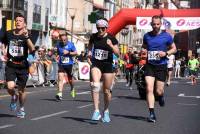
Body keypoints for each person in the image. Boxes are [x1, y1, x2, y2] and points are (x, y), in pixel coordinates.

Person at [142, 15, 176, 122]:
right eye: (154, 24)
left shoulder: (167, 36)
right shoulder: (147, 36)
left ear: (161, 24)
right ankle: (151, 113)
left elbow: (174, 49)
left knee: (159, 90)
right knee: (149, 88)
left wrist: (165, 53)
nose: (156, 26)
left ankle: (161, 96)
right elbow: (144, 46)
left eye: (158, 24)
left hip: (161, 65)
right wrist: (143, 51)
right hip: (150, 65)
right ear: (151, 24)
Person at [2, 14, 35, 118]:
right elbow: (3, 42)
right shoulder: (8, 33)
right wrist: (3, 48)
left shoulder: (27, 35)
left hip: (23, 66)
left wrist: (27, 37)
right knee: (10, 86)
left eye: (20, 21)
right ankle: (13, 96)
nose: (18, 22)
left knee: (21, 90)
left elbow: (32, 49)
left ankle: (21, 108)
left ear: (24, 24)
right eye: (16, 20)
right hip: (11, 65)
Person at [88, 18, 119, 122]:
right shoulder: (93, 37)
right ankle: (96, 111)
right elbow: (90, 46)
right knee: (95, 85)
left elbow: (118, 53)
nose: (100, 30)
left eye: (102, 28)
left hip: (107, 65)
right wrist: (89, 53)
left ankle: (106, 111)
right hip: (96, 63)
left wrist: (110, 45)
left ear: (106, 28)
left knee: (106, 91)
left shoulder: (111, 38)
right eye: (98, 28)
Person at [55, 30, 77, 101]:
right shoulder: (58, 44)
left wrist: (69, 52)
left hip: (69, 64)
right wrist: (57, 56)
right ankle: (60, 94)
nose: (63, 41)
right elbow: (58, 53)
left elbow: (76, 53)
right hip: (61, 64)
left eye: (64, 40)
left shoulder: (71, 44)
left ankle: (72, 88)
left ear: (67, 39)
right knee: (60, 78)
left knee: (70, 80)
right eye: (62, 40)